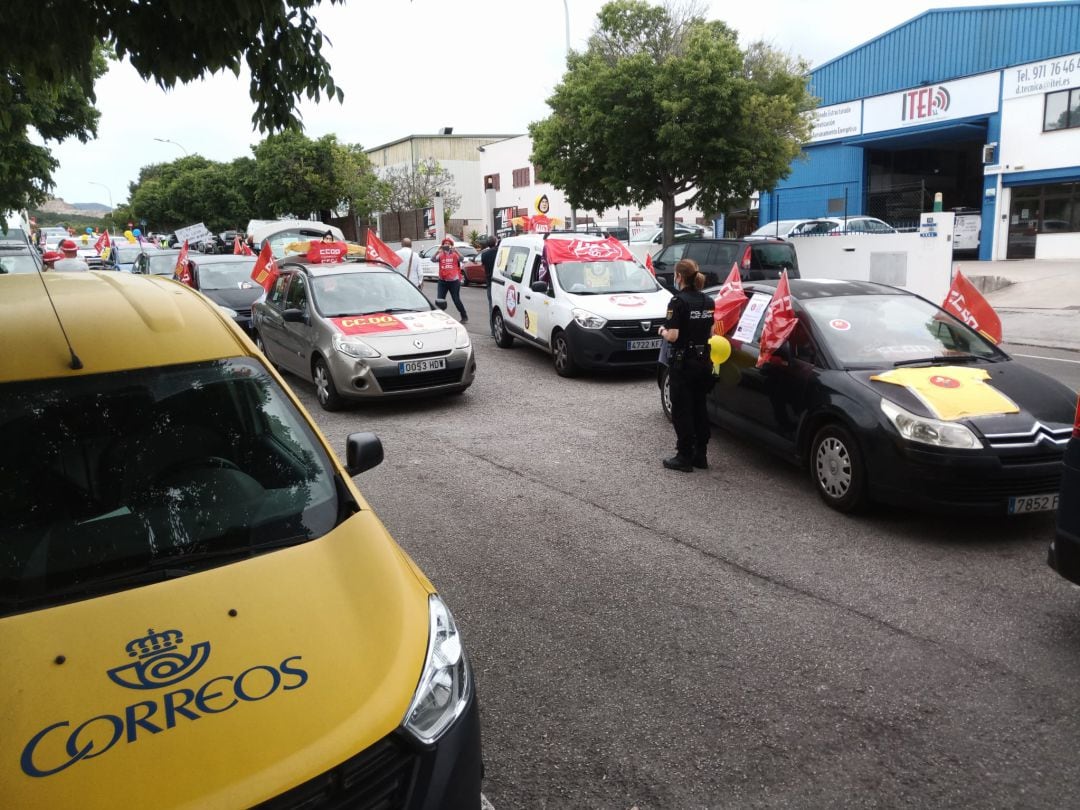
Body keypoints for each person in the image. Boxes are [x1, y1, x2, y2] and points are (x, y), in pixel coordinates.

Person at [659, 258, 715, 472]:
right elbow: (711, 332)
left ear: (679, 276)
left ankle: (684, 456)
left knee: (682, 410)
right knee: (700, 407)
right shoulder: (708, 301)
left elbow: (673, 336)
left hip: (683, 364)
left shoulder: (677, 302)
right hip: (703, 362)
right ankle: (701, 455)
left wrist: (662, 331)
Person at [435, 237, 467, 323]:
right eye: (445, 244)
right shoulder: (440, 254)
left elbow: (462, 259)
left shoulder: (454, 254)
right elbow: (433, 259)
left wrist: (456, 251)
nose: (446, 245)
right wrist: (437, 251)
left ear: (451, 246)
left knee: (456, 299)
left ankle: (464, 316)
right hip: (442, 281)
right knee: (440, 300)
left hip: (454, 281)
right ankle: (439, 318)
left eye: (448, 244)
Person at [478, 236, 498, 335]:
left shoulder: (484, 254)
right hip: (500, 281)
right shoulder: (499, 251)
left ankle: (493, 331)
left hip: (490, 282)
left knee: (491, 306)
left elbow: (483, 265)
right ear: (495, 242)